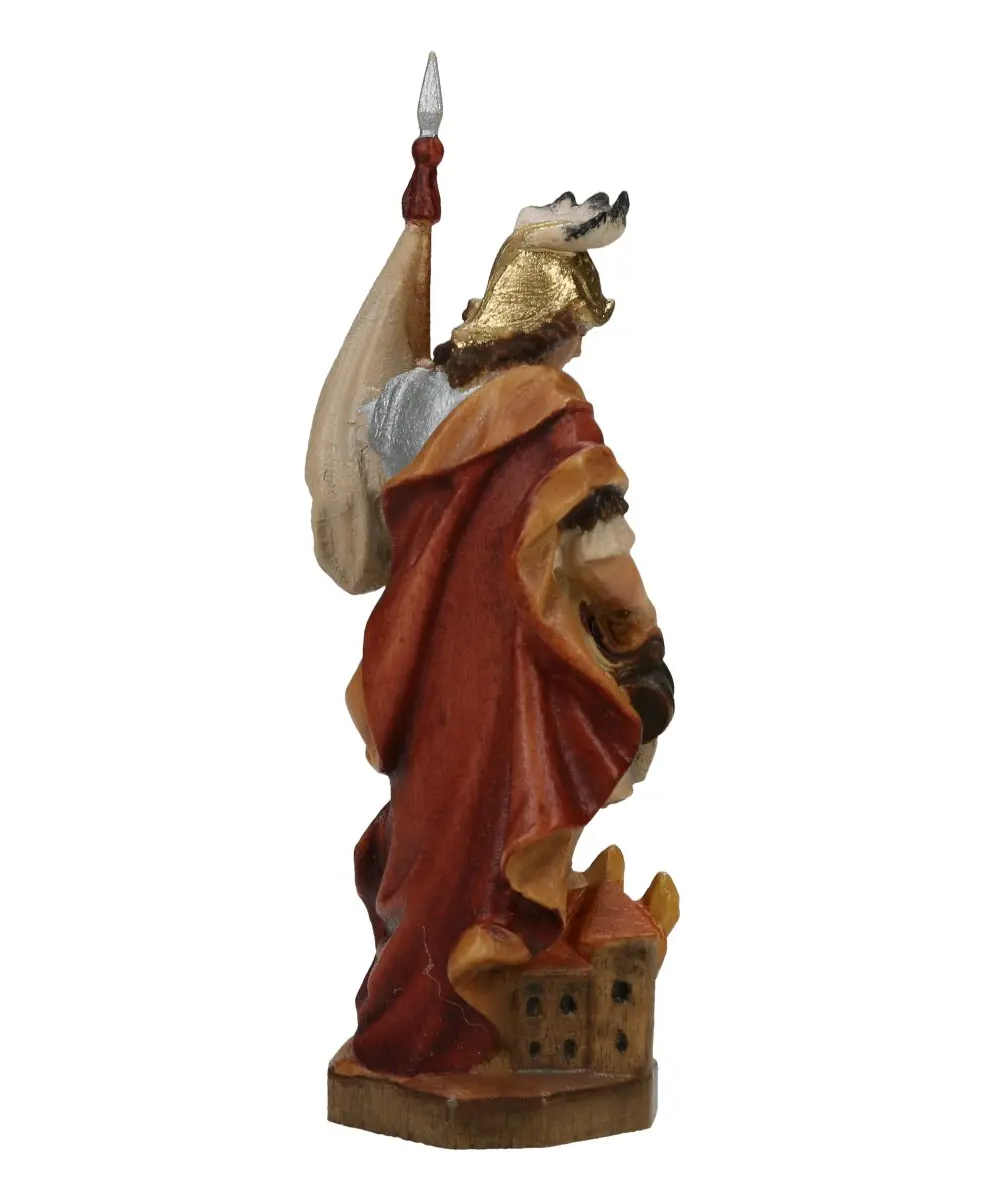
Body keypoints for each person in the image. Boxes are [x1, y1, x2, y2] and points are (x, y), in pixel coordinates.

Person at [341, 193, 677, 1075]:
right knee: (503, 827)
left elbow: (381, 451)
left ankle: (439, 1004)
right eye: (575, 330)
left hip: (427, 671)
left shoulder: (421, 402)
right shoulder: (555, 418)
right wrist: (640, 639)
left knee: (440, 845)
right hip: (514, 677)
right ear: (547, 321)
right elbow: (598, 552)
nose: (579, 351)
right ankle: (470, 1015)